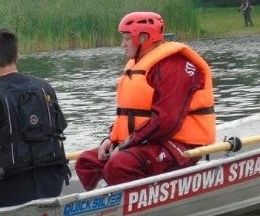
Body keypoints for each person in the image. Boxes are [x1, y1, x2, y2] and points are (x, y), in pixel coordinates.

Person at [74, 11, 216, 191]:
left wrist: (127, 144)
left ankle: (136, 205)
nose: (122, 44)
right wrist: (110, 139)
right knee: (87, 162)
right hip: (146, 141)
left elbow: (166, 121)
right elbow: (128, 113)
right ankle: (106, 199)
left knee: (120, 165)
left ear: (143, 37)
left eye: (126, 39)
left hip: (178, 145)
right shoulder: (138, 64)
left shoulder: (174, 66)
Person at [0, 28, 70, 207]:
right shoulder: (45, 87)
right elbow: (58, 139)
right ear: (17, 56)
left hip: (10, 192)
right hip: (52, 184)